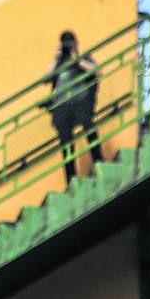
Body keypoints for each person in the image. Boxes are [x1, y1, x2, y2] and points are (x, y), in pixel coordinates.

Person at [43, 30, 102, 184]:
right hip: (62, 106)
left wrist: (77, 59)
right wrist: (55, 58)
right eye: (65, 43)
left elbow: (97, 71)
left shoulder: (84, 58)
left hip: (81, 101)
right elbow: (46, 78)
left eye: (70, 42)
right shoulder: (59, 63)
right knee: (66, 142)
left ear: (76, 43)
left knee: (89, 128)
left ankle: (98, 160)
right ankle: (71, 178)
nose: (68, 45)